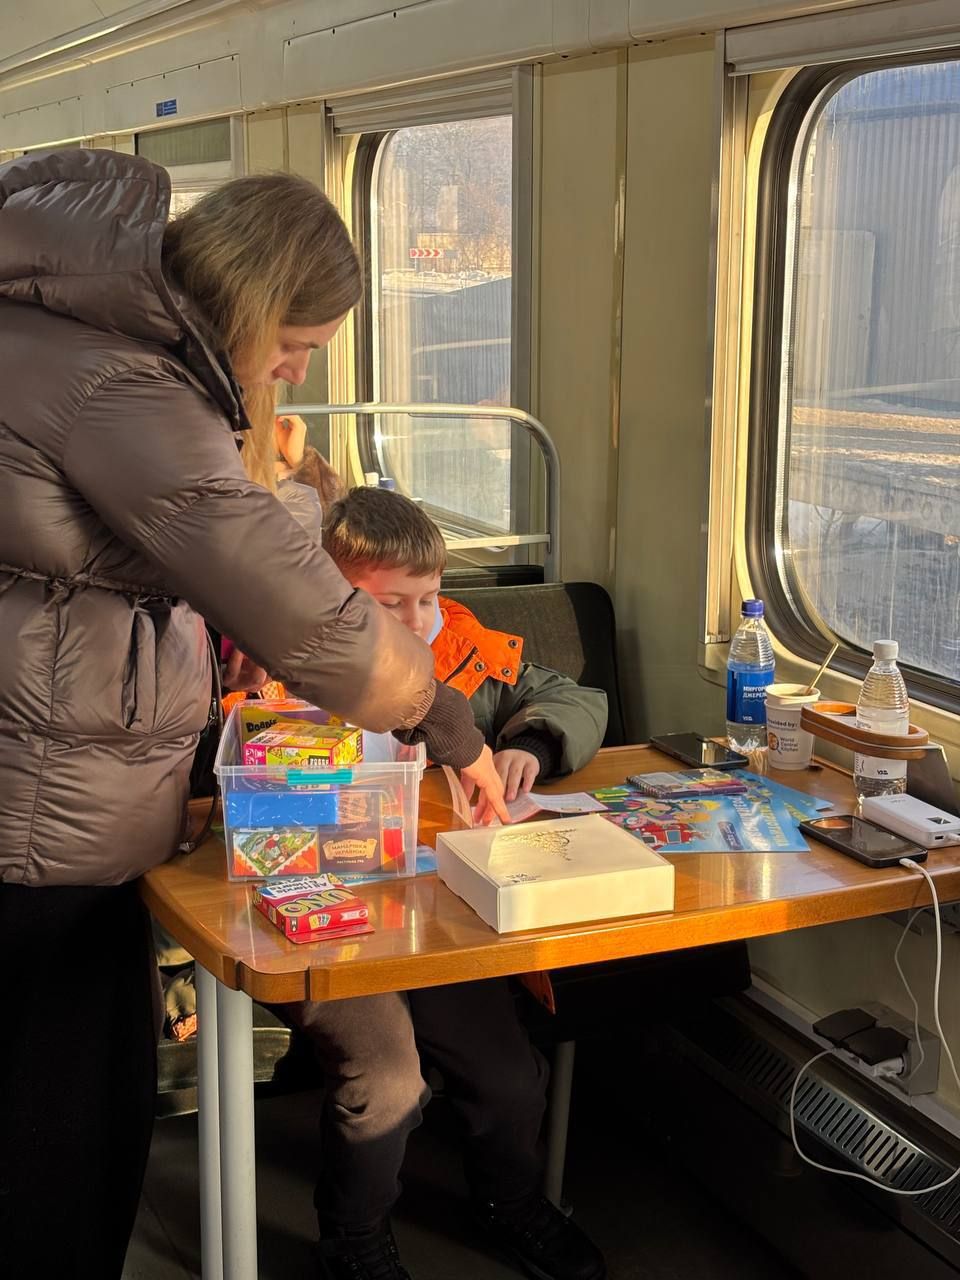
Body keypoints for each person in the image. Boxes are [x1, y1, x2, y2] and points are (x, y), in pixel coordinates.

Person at [0, 147, 508, 1280]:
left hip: (42, 796)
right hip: (39, 822)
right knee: (65, 1143)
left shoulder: (67, 336)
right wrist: (448, 724)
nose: (294, 369)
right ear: (255, 301)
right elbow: (306, 617)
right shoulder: (124, 388)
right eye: (296, 344)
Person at [275, 485, 607, 1280]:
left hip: (433, 905)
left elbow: (569, 696)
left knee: (508, 1076)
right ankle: (353, 1236)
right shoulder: (280, 663)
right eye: (389, 603)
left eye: (428, 597)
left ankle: (510, 1200)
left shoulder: (459, 643)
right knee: (388, 1081)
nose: (416, 620)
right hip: (320, 906)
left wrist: (531, 741)